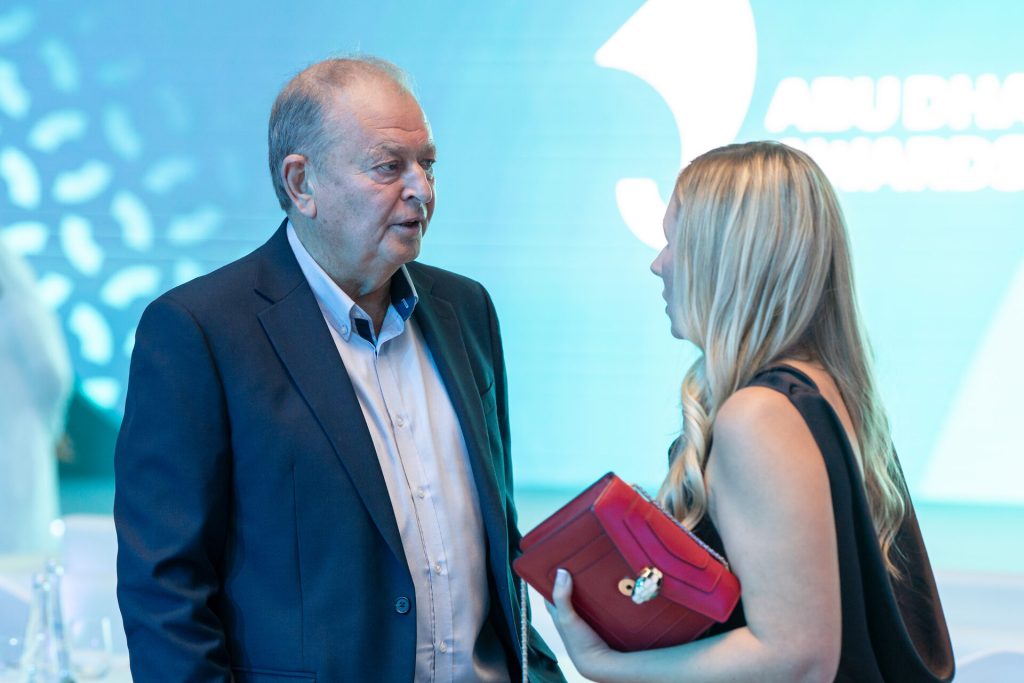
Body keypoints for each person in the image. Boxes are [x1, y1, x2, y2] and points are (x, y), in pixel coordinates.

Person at [114, 57, 564, 682]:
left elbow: (497, 539)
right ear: (302, 183)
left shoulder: (466, 310)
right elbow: (166, 593)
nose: (422, 189)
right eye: (389, 166)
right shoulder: (199, 331)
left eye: (427, 164)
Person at [546, 142, 955, 682]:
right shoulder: (826, 390)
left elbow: (795, 658)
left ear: (726, 259)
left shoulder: (759, 417)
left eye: (673, 242)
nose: (657, 264)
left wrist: (606, 665)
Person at [0, 238, 71, 554]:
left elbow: (52, 374)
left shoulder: (18, 306)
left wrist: (53, 428)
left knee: (22, 547)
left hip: (19, 441)